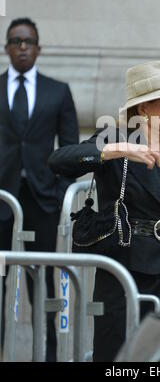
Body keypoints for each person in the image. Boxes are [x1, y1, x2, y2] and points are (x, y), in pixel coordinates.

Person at [49, 60, 160, 362]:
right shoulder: (114, 140)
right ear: (146, 108)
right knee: (121, 358)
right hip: (127, 274)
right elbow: (59, 160)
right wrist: (120, 149)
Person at [0, 18, 79, 361]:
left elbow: (71, 147)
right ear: (6, 48)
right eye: (16, 41)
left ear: (39, 48)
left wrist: (62, 192)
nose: (22, 47)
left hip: (43, 199)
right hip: (2, 199)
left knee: (42, 278)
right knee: (1, 279)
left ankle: (45, 353)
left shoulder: (57, 91)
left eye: (28, 41)